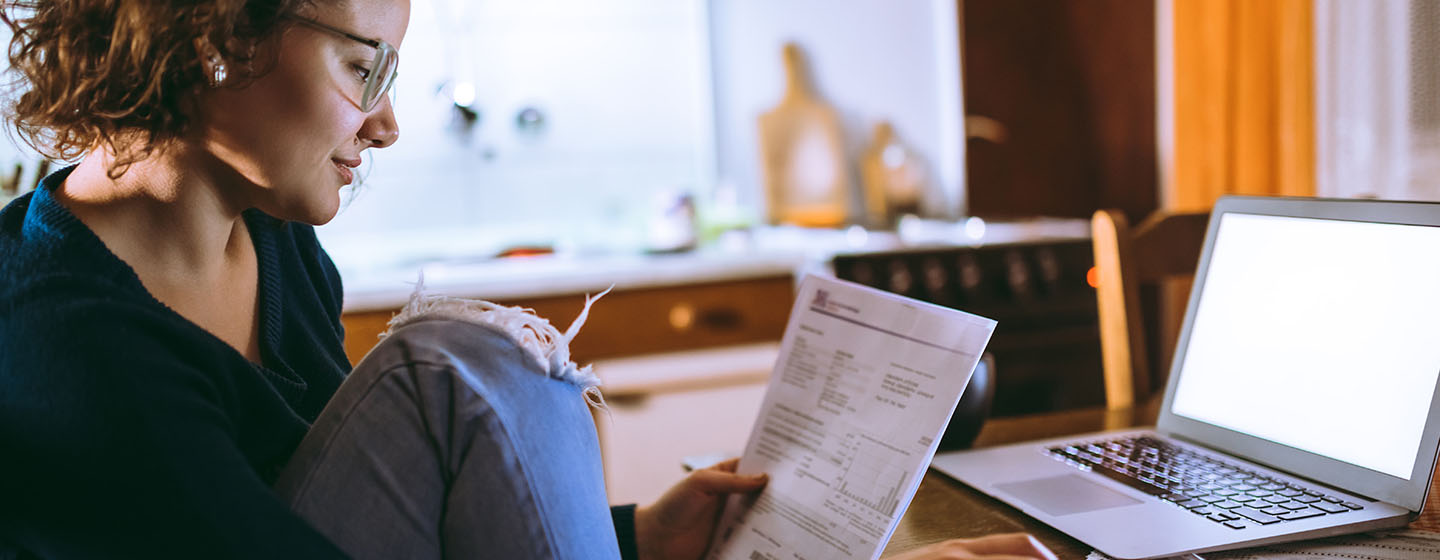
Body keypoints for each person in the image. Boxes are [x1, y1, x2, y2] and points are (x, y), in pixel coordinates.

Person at [0, 0, 1057, 559]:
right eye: (362, 66)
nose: (388, 121)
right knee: (455, 358)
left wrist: (631, 538)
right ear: (219, 33)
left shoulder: (271, 243)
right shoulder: (65, 351)